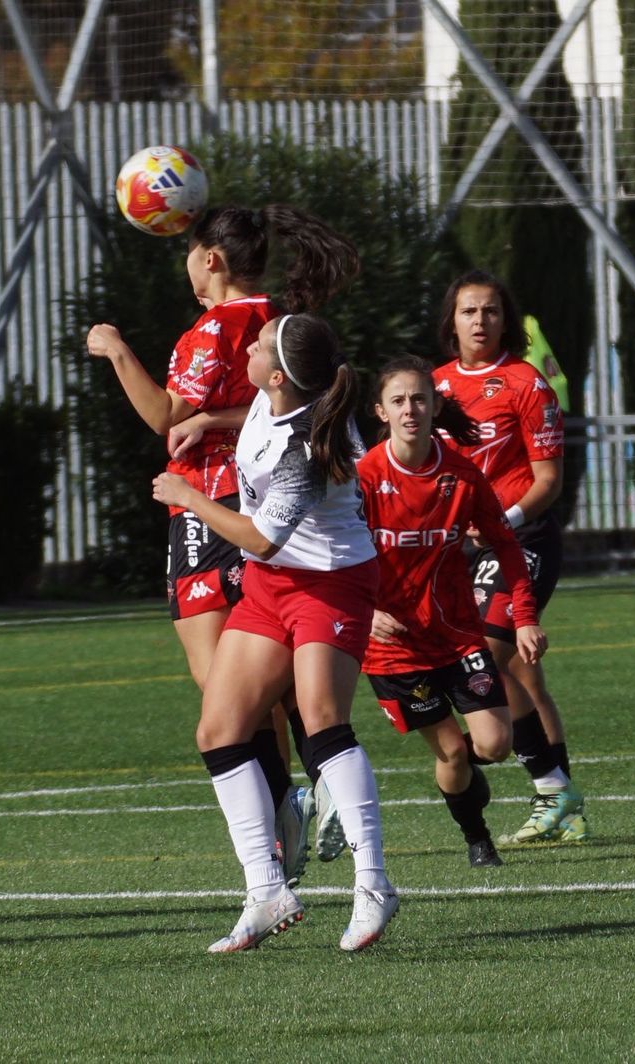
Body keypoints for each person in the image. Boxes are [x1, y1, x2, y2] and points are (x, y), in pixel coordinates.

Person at [86, 205, 359, 879]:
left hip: (211, 511)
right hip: (263, 503)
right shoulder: (279, 326)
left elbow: (162, 416)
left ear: (209, 259)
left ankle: (285, 808)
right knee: (270, 669)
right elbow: (285, 405)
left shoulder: (215, 327)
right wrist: (215, 415)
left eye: (187, 252)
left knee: (223, 685)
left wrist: (115, 347)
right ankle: (314, 788)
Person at [151, 312, 399, 953]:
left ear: (281, 375)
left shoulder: (306, 446)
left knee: (320, 719)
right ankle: (266, 891)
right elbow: (252, 413)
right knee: (219, 730)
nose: (250, 351)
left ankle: (373, 885)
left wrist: (189, 496)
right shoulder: (275, 395)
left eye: (259, 348)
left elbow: (260, 536)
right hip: (270, 585)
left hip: (331, 584)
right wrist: (207, 420)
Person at [358, 356, 549, 868]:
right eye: (398, 401)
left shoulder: (461, 475)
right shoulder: (364, 479)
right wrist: (364, 611)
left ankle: (463, 774)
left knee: (494, 743)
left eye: (419, 398)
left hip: (458, 635)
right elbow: (332, 558)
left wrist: (526, 616)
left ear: (436, 404)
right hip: (393, 648)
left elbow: (506, 544)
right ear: (381, 411)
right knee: (451, 753)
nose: (410, 410)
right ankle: (476, 836)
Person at [433, 270, 588, 844]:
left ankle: (550, 786)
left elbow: (547, 481)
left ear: (507, 320)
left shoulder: (526, 384)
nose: (480, 321)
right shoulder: (435, 387)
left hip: (522, 541)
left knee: (487, 656)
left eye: (492, 311)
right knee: (525, 675)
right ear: (452, 320)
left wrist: (498, 525)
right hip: (462, 548)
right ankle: (564, 805)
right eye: (470, 311)